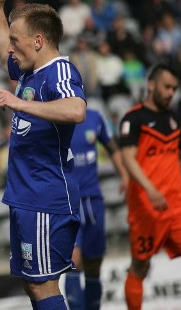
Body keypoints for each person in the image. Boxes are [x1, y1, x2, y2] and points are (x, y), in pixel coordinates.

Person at [0, 0, 87, 310]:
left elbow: (76, 110)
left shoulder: (60, 70)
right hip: (27, 194)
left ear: (39, 41)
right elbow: (3, 54)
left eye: (18, 40)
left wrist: (19, 103)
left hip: (47, 196)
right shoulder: (30, 69)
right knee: (35, 284)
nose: (12, 47)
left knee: (43, 285)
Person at [118, 63, 181, 310]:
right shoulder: (134, 118)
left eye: (174, 89)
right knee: (140, 266)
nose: (170, 93)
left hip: (176, 204)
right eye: (167, 87)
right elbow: (128, 158)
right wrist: (151, 189)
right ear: (151, 85)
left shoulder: (176, 118)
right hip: (146, 207)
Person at [64, 108, 129, 310]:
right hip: (67, 201)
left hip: (93, 199)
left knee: (94, 265)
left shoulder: (95, 117)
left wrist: (124, 175)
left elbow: (112, 147)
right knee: (74, 262)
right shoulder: (57, 116)